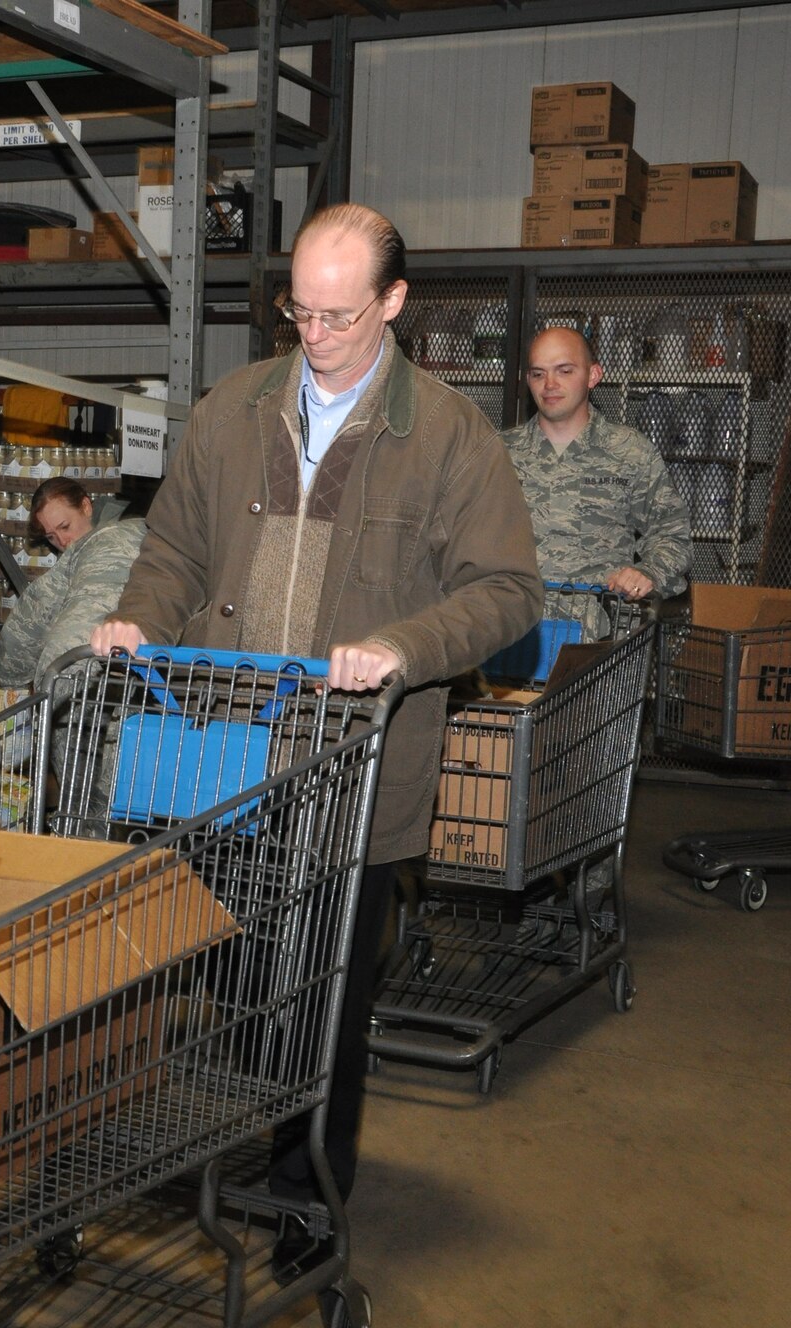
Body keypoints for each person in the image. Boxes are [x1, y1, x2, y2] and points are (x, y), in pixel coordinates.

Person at [92, 202, 542, 1280]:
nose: (315, 331)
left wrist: (402, 642)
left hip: (352, 766)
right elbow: (173, 551)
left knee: (326, 999)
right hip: (220, 753)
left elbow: (507, 591)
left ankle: (304, 1191)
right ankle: (225, 1136)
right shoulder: (230, 409)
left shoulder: (446, 436)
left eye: (339, 312)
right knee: (240, 980)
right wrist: (136, 618)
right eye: (298, 307)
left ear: (393, 302)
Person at [502, 326, 691, 641]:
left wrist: (647, 572)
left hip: (598, 644)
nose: (550, 384)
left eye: (564, 371)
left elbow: (672, 534)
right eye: (538, 374)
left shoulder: (629, 451)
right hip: (514, 636)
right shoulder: (499, 454)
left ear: (593, 375)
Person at [0, 476, 146, 692]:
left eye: (65, 527)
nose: (63, 541)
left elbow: (33, 619)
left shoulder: (108, 542)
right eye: (51, 537)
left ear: (85, 507)